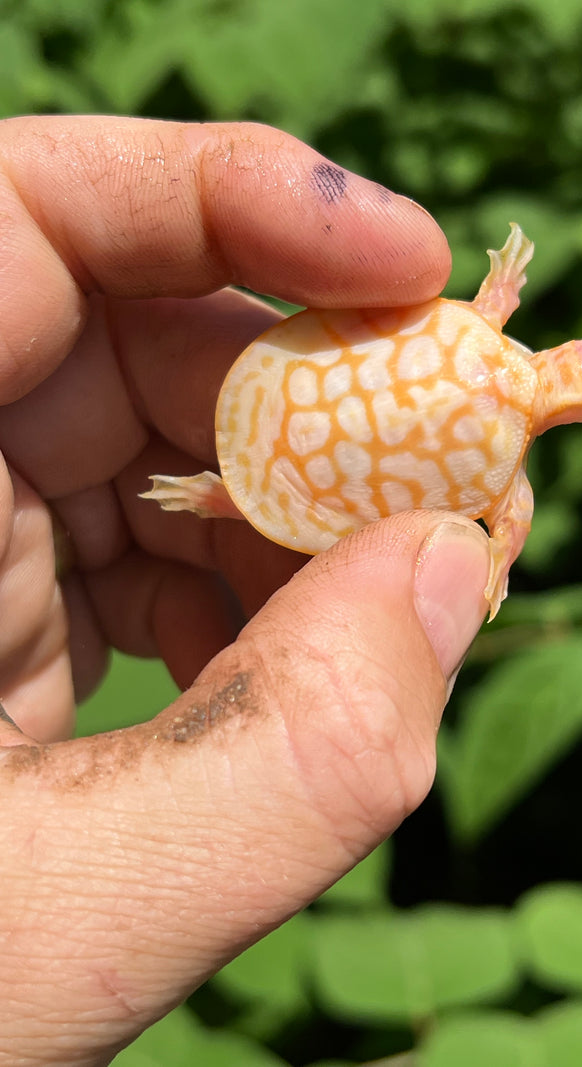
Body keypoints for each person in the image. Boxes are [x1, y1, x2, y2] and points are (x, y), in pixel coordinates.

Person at [0, 115, 491, 1065]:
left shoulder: (487, 380)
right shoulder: (483, 368)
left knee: (277, 501)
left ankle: (219, 495)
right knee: (277, 503)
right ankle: (220, 495)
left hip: (336, 420)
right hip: (330, 427)